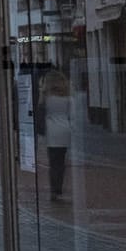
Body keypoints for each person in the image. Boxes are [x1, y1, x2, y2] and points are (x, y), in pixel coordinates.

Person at [39, 70, 73, 201]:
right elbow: (72, 116)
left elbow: (41, 113)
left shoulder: (46, 99)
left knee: (53, 163)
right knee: (61, 162)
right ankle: (58, 188)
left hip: (52, 132)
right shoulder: (67, 98)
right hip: (64, 131)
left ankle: (55, 189)